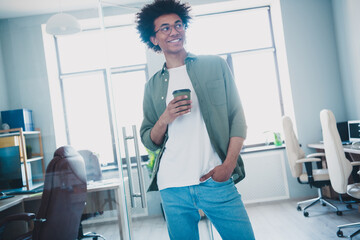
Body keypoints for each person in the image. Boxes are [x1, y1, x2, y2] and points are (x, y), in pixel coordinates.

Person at [136, 0, 255, 239]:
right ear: (153, 39)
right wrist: (165, 118)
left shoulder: (215, 65)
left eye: (178, 25)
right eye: (165, 28)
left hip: (215, 180)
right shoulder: (152, 86)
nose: (174, 31)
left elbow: (238, 118)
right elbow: (150, 140)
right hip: (172, 186)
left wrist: (228, 166)